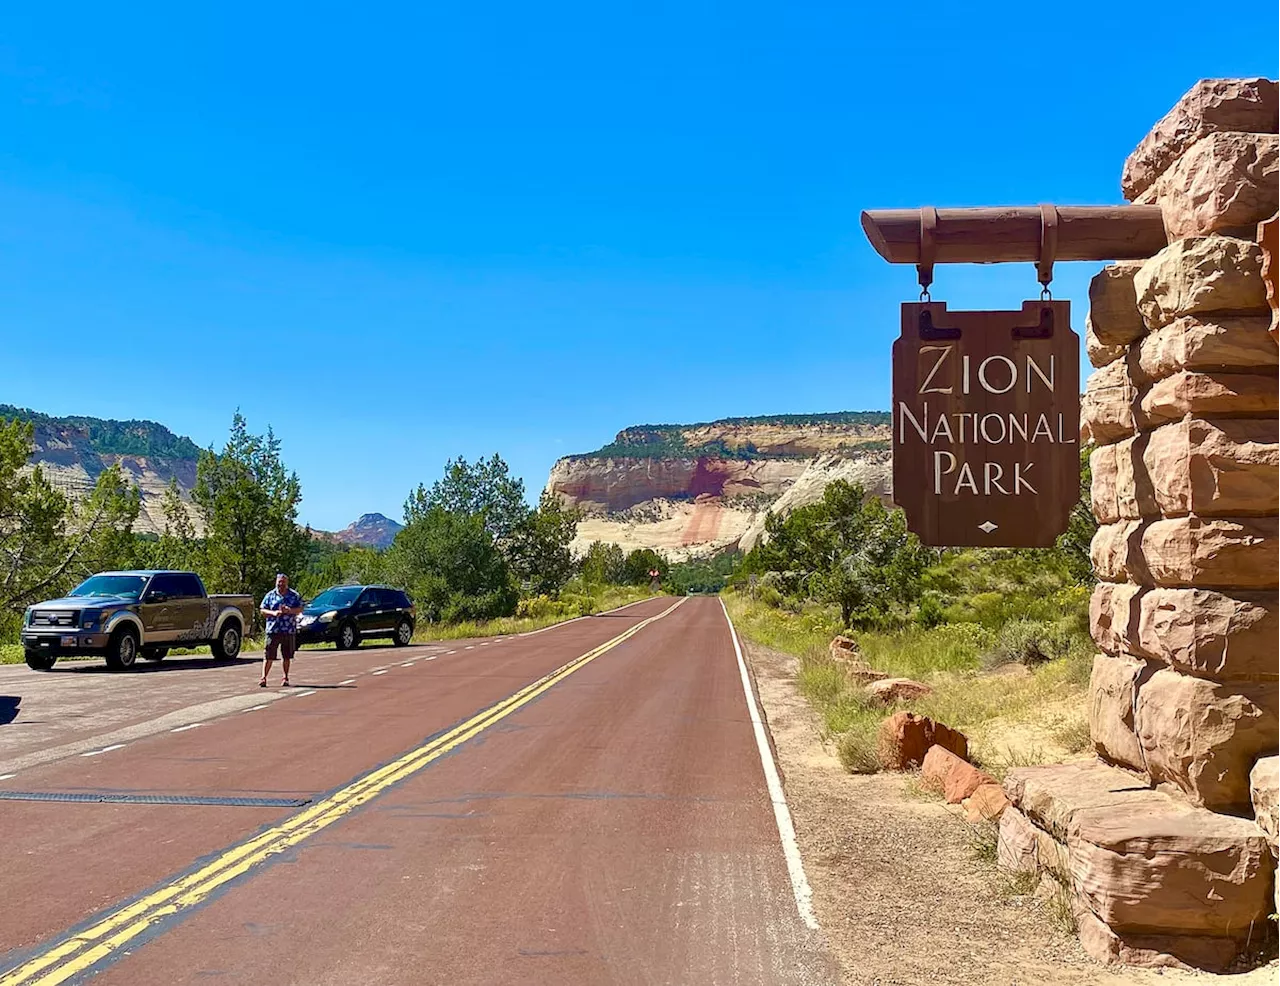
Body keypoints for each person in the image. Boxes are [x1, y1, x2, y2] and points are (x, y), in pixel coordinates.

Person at [259, 573, 303, 688]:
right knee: (268, 655)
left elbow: (300, 609)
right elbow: (262, 610)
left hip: (288, 630)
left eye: (283, 583)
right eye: (279, 582)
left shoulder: (294, 595)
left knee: (287, 656)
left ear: (287, 583)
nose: (281, 585)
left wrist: (290, 610)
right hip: (273, 629)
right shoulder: (270, 595)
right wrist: (273, 613)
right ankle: (263, 678)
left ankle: (285, 677)